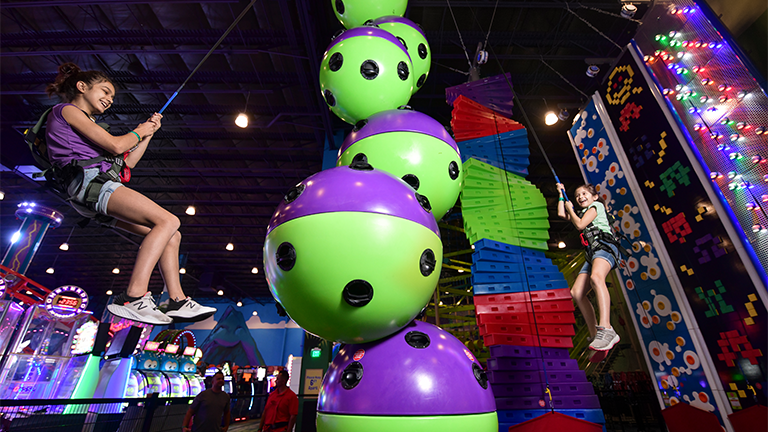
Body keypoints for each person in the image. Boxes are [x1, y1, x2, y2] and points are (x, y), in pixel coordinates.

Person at [45, 62, 216, 325]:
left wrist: (148, 134)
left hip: (94, 188)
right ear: (81, 87)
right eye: (105, 91)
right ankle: (134, 295)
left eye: (112, 96)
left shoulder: (85, 124)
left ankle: (177, 300)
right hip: (92, 185)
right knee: (168, 220)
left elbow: (127, 163)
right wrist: (139, 131)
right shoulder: (66, 110)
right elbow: (116, 146)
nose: (110, 99)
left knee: (172, 234)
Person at [557, 183, 621, 352]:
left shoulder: (596, 206)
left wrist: (570, 209)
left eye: (584, 193)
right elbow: (561, 214)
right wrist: (561, 194)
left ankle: (606, 328)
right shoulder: (582, 213)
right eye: (577, 195)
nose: (580, 197)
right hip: (592, 252)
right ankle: (595, 335)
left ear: (594, 197)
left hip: (605, 247)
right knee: (576, 293)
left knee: (596, 278)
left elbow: (579, 225)